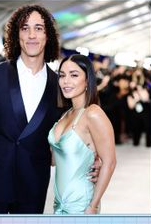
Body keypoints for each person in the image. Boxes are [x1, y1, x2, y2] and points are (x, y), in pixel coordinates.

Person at [0, 5, 100, 214]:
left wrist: (95, 157)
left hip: (33, 185)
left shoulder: (59, 85)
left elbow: (78, 122)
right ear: (17, 35)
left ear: (48, 35)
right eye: (25, 28)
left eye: (39, 28)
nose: (32, 35)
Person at [48, 54, 116, 214]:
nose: (66, 81)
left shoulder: (93, 113)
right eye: (62, 75)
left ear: (87, 80)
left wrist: (92, 206)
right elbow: (55, 160)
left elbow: (110, 162)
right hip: (59, 203)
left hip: (82, 204)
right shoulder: (65, 115)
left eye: (74, 75)